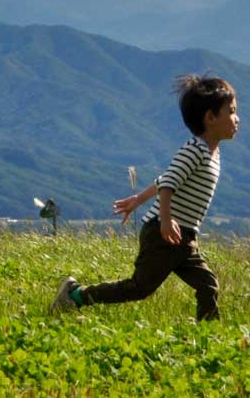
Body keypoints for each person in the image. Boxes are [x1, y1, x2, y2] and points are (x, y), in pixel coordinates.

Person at [52, 74, 238, 323]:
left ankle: (210, 331)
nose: (237, 119)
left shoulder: (211, 153)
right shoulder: (196, 150)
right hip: (164, 235)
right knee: (139, 288)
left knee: (208, 284)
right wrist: (165, 220)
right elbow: (169, 184)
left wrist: (138, 200)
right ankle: (75, 296)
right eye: (232, 112)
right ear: (211, 118)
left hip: (183, 236)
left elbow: (165, 179)